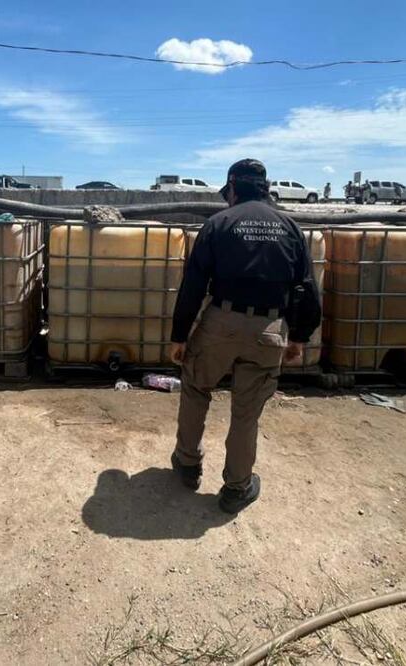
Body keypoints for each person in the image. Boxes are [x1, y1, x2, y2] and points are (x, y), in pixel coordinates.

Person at [169, 158, 321, 514]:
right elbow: (309, 289)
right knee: (246, 412)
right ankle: (237, 488)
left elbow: (193, 285)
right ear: (265, 188)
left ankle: (187, 464)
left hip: (219, 323)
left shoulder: (218, 224)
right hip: (269, 330)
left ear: (233, 188)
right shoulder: (290, 227)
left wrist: (180, 335)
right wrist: (299, 336)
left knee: (195, 387)